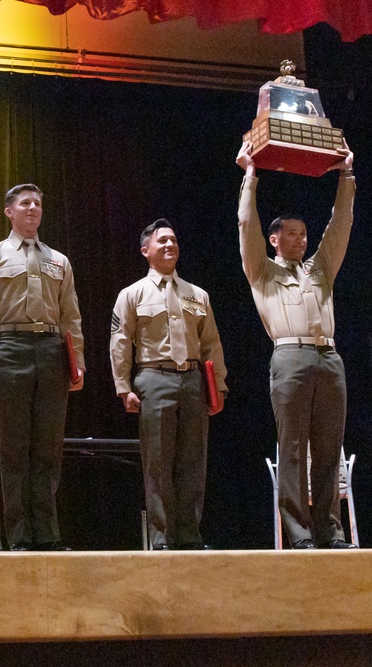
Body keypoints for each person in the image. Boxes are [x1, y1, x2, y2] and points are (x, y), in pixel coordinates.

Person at [236, 140, 357, 549]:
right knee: (291, 448)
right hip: (289, 356)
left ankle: (330, 530)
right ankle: (300, 532)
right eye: (292, 234)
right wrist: (250, 176)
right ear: (275, 240)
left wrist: (346, 175)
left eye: (304, 234)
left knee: (329, 448)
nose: (301, 240)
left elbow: (340, 225)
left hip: (329, 355)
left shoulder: (319, 268)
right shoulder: (262, 270)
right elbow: (246, 226)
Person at [0, 183, 84, 552]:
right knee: (15, 448)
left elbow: (71, 316)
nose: (33, 208)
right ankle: (18, 536)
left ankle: (47, 533)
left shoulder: (58, 260)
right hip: (11, 349)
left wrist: (76, 363)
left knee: (48, 448)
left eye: (37, 203)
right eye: (25, 203)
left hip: (50, 350)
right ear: (9, 212)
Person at [109, 219, 227, 550]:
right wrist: (123, 385)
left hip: (192, 380)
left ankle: (189, 534)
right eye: (161, 241)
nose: (169, 245)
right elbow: (120, 341)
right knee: (158, 463)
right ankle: (161, 538)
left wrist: (217, 387)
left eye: (173, 240)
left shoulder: (196, 294)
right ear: (145, 250)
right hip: (154, 378)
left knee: (192, 462)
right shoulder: (132, 294)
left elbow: (211, 345)